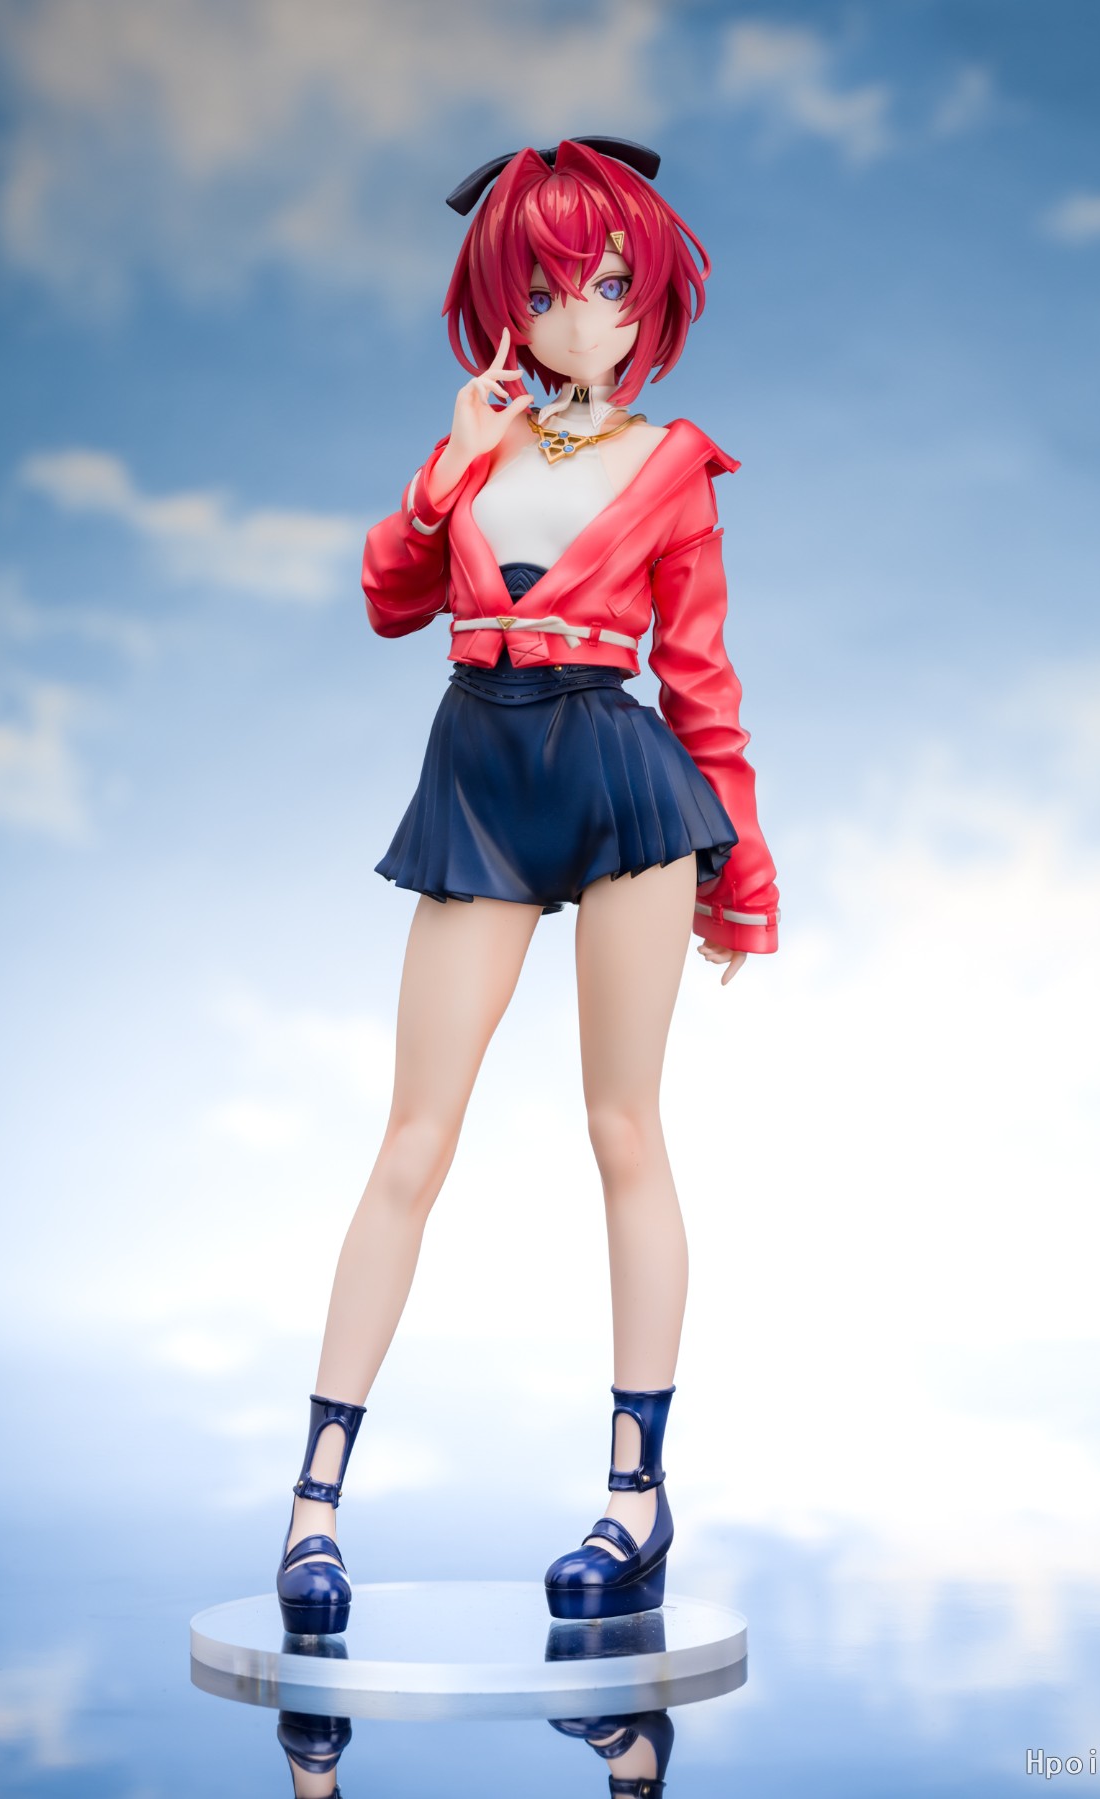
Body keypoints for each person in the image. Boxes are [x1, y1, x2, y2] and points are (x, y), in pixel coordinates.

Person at [276, 138, 780, 1637]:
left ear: (652, 295)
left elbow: (704, 685)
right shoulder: (479, 448)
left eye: (609, 284)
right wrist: (449, 467)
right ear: (503, 299)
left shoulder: (674, 466)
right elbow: (389, 599)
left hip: (620, 786)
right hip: (480, 773)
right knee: (412, 1138)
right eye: (547, 289)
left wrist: (743, 875)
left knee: (622, 1127)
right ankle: (312, 1508)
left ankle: (635, 1498)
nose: (580, 317)